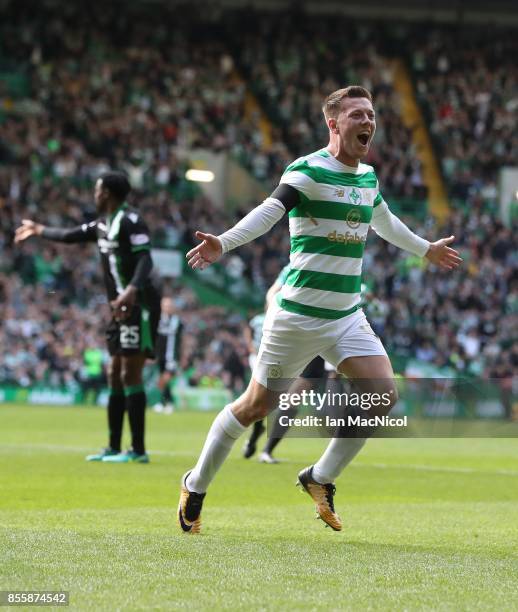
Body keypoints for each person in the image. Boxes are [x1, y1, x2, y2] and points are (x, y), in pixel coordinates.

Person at [178, 86, 461, 534]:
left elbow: (384, 221)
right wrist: (224, 242)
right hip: (296, 317)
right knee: (254, 407)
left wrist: (425, 249)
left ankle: (319, 477)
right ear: (334, 124)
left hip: (346, 315)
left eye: (371, 114)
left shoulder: (368, 177)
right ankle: (195, 483)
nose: (367, 122)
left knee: (383, 396)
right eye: (356, 115)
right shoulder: (307, 171)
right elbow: (269, 211)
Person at [15, 171, 161, 463]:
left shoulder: (131, 221)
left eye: (97, 190)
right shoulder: (102, 224)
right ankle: (113, 446)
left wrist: (131, 290)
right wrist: (39, 229)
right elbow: (70, 235)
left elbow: (146, 259)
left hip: (138, 305)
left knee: (129, 374)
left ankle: (138, 451)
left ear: (106, 193)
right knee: (114, 374)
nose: (94, 195)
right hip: (119, 309)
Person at [242, 264, 331, 464]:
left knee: (294, 398)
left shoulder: (343, 263)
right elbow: (273, 292)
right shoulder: (297, 265)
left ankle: (267, 450)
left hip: (321, 339)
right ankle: (255, 433)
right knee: (263, 400)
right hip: (292, 334)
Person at [153, 297, 183, 414]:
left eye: (169, 305)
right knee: (162, 381)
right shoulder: (158, 321)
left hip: (172, 357)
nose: (167, 308)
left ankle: (165, 402)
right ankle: (166, 403)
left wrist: (183, 356)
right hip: (160, 356)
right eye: (165, 305)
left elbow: (182, 340)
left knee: (164, 380)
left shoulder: (177, 321)